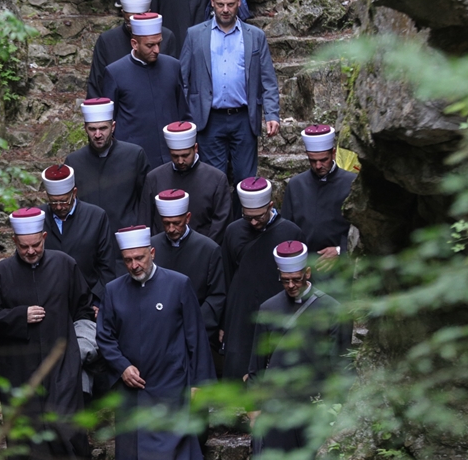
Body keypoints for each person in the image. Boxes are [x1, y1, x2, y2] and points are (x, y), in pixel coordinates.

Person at [97, 225, 215, 460]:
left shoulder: (178, 285)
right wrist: (122, 367)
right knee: (137, 457)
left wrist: (199, 384)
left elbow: (196, 337)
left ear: (152, 252)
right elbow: (104, 337)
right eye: (128, 260)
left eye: (139, 258)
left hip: (171, 386)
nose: (134, 265)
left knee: (171, 459)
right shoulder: (113, 290)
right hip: (133, 389)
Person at [0, 208, 95, 460]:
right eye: (23, 246)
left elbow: (82, 304)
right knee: (24, 434)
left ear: (44, 237)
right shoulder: (0, 275)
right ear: (14, 241)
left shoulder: (65, 265)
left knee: (63, 421)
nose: (30, 252)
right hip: (20, 366)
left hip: (61, 358)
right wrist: (19, 316)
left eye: (36, 245)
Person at [247, 240, 352, 460]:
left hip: (315, 400)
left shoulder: (331, 308)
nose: (291, 285)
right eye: (285, 280)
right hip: (278, 401)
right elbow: (256, 366)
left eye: (296, 279)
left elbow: (341, 363)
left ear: (308, 273)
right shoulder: (269, 308)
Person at [181, 0, 281, 182]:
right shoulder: (195, 35)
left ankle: (241, 214)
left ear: (238, 2)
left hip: (243, 118)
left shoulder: (255, 36)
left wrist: (272, 114)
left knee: (246, 178)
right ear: (212, 2)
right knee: (212, 179)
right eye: (220, 5)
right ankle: (220, 215)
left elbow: (267, 79)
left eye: (230, 4)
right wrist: (186, 117)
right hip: (209, 118)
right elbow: (183, 77)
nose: (225, 10)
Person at [219, 177, 303, 383]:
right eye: (248, 218)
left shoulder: (291, 232)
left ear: (271, 206)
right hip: (240, 312)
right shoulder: (233, 231)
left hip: (278, 308)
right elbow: (226, 277)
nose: (254, 222)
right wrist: (224, 323)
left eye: (258, 216)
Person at [102, 12, 189, 167]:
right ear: (135, 44)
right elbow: (109, 121)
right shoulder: (115, 73)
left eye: (159, 43)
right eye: (150, 45)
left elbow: (183, 112)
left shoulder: (173, 66)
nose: (156, 50)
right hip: (133, 160)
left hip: (172, 157)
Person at [148, 190, 225, 347]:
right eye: (166, 223)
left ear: (188, 218)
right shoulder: (150, 247)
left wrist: (192, 327)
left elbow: (217, 296)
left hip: (195, 333)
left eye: (177, 223)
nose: (171, 229)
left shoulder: (209, 249)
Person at [39, 163, 120, 306]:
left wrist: (97, 301)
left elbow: (106, 266)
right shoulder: (38, 218)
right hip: (47, 303)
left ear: (74, 193)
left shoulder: (95, 216)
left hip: (87, 301)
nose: (58, 207)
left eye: (64, 201)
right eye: (53, 202)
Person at [280, 125, 356, 271]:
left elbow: (358, 229)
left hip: (339, 267)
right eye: (313, 161)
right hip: (303, 267)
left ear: (333, 154)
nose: (318, 165)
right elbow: (287, 229)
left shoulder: (351, 183)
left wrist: (340, 251)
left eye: (323, 160)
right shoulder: (296, 185)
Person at [66, 97, 150, 231]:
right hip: (88, 236)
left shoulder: (134, 155)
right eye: (93, 129)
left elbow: (146, 201)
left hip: (126, 235)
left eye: (103, 128)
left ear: (113, 127)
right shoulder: (74, 161)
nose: (98, 134)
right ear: (85, 129)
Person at [142, 121, 232, 242]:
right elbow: (146, 221)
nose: (180, 161)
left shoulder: (216, 179)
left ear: (195, 148)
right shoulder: (154, 178)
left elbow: (221, 224)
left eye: (185, 155)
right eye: (175, 156)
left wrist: (205, 250)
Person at [88, 0, 181, 97]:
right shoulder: (107, 41)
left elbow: (174, 81)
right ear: (123, 13)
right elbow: (96, 85)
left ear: (148, 13)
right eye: (130, 22)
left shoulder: (166, 37)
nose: (135, 27)